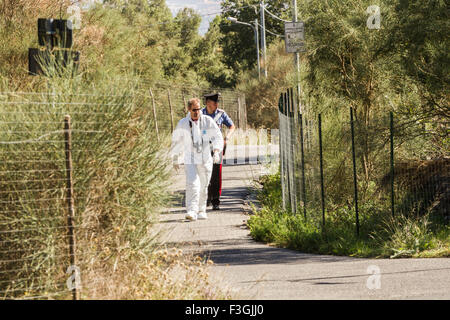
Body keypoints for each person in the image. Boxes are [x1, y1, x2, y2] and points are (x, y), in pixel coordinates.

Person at [170, 98, 224, 221]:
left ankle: (201, 210)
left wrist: (216, 151)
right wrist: (175, 157)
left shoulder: (207, 121)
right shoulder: (183, 123)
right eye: (194, 110)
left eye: (199, 109)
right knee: (192, 183)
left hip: (205, 158)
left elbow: (217, 137)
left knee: (204, 185)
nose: (197, 112)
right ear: (189, 109)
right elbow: (176, 141)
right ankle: (191, 210)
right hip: (190, 158)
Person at [202, 92, 236, 210]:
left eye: (217, 103)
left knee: (216, 173)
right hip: (203, 147)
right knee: (205, 172)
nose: (216, 105)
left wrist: (227, 137)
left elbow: (232, 126)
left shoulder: (221, 114)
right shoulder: (200, 114)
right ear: (207, 103)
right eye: (213, 103)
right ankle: (206, 198)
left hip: (217, 146)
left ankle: (216, 200)